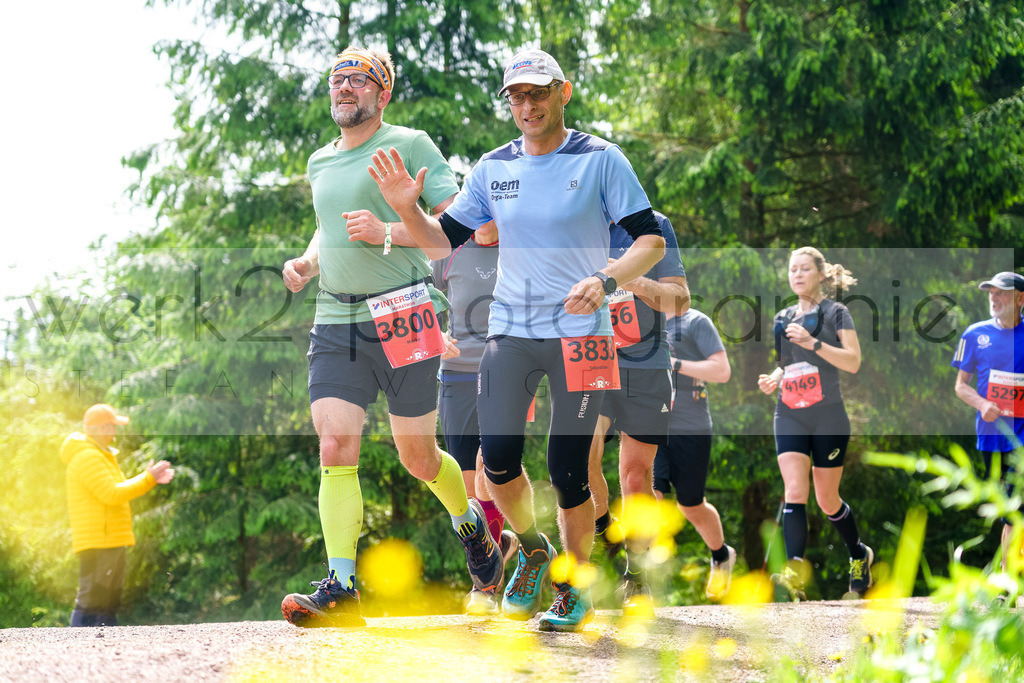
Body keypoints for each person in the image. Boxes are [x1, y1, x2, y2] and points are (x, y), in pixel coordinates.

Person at [368, 48, 666, 631]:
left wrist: (605, 281)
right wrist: (407, 208)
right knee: (495, 462)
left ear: (564, 92)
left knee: (569, 468)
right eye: (516, 97)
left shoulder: (602, 159)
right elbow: (440, 242)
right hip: (512, 330)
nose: (526, 106)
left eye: (537, 93)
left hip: (583, 334)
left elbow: (649, 242)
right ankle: (533, 551)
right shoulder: (492, 168)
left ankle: (573, 588)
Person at [279, 47, 503, 628]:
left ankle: (471, 524)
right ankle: (342, 585)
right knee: (335, 447)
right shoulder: (319, 162)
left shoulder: (410, 144)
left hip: (404, 314)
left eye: (357, 80)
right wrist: (308, 263)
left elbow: (453, 234)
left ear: (382, 93)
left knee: (418, 458)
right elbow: (329, 227)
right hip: (336, 321)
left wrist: (387, 230)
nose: (344, 88)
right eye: (336, 80)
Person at [585, 212, 689, 615]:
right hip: (589, 360)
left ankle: (637, 575)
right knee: (580, 456)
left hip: (646, 364)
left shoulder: (653, 226)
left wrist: (624, 278)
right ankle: (603, 542)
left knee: (634, 472)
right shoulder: (575, 219)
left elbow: (680, 302)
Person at [756, 247, 872, 600]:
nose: (797, 275)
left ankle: (858, 554)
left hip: (827, 415)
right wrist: (773, 378)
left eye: (805, 269)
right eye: (793, 269)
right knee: (794, 490)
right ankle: (794, 571)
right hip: (789, 410)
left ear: (821, 274)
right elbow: (787, 362)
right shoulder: (783, 317)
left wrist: (814, 342)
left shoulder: (837, 313)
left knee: (827, 499)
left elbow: (853, 362)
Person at [431, 220, 520, 614]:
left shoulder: (519, 244)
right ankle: (500, 547)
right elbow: (425, 298)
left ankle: (483, 590)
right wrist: (436, 333)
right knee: (467, 489)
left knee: (490, 464)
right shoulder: (448, 249)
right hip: (454, 372)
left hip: (507, 366)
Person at [60, 404, 175, 627]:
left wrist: (149, 479)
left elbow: (115, 490)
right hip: (99, 540)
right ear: (102, 428)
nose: (115, 431)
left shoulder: (101, 456)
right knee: (92, 600)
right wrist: (148, 478)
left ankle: (106, 651)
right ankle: (76, 651)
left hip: (109, 537)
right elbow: (112, 494)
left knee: (109, 602)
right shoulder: (88, 457)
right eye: (112, 426)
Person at [652, 305, 736, 601]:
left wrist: (674, 364)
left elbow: (722, 371)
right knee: (653, 493)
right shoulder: (640, 319)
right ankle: (641, 578)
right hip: (652, 421)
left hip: (691, 425)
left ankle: (721, 555)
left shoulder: (695, 321)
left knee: (691, 504)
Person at [951, 271, 1024, 570]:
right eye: (991, 292)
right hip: (992, 436)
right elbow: (960, 386)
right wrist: (982, 403)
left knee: (1017, 509)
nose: (994, 298)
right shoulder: (974, 334)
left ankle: (1007, 581)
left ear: (1021, 299)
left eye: (1002, 293)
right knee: (1008, 509)